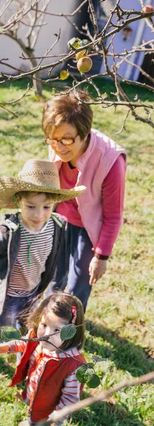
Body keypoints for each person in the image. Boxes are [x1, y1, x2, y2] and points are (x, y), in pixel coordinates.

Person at [0, 159, 85, 329]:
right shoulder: (7, 232)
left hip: (34, 293)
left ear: (55, 202)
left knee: (28, 330)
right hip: (8, 296)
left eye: (47, 207)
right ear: (19, 201)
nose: (38, 215)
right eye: (31, 206)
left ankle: (23, 354)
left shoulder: (57, 227)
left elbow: (57, 260)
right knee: (5, 331)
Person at [42, 91, 126, 311]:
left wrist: (101, 256)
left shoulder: (110, 162)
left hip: (88, 229)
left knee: (77, 286)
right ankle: (48, 325)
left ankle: (69, 334)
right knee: (53, 277)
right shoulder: (60, 141)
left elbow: (113, 215)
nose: (58, 147)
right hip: (59, 219)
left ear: (85, 132)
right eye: (52, 138)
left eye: (66, 139)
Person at [0, 292, 86, 426]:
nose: (47, 334)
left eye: (57, 330)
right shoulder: (37, 337)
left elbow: (71, 397)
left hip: (47, 410)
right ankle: (30, 420)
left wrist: (56, 419)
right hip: (32, 391)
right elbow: (25, 343)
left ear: (72, 332)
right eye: (44, 325)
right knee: (31, 412)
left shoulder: (73, 365)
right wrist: (6, 348)